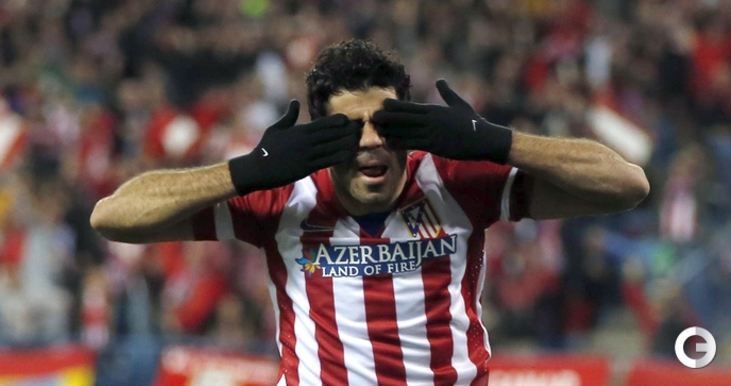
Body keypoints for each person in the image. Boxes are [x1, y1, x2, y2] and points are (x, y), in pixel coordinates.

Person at [90, 39, 649, 385]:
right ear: (320, 136)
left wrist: (497, 140)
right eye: (349, 128)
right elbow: (113, 217)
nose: (370, 141)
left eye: (386, 123)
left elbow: (626, 185)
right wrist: (243, 171)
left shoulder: (456, 180)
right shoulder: (280, 195)